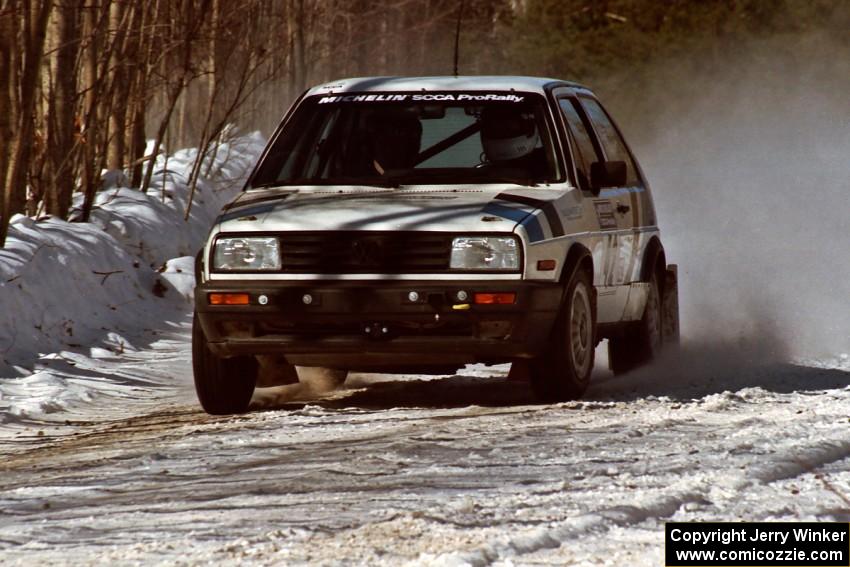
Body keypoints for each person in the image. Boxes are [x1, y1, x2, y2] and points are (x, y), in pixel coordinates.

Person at [479, 106, 547, 179]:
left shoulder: (546, 162)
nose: (502, 130)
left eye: (507, 125)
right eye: (495, 127)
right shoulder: (547, 160)